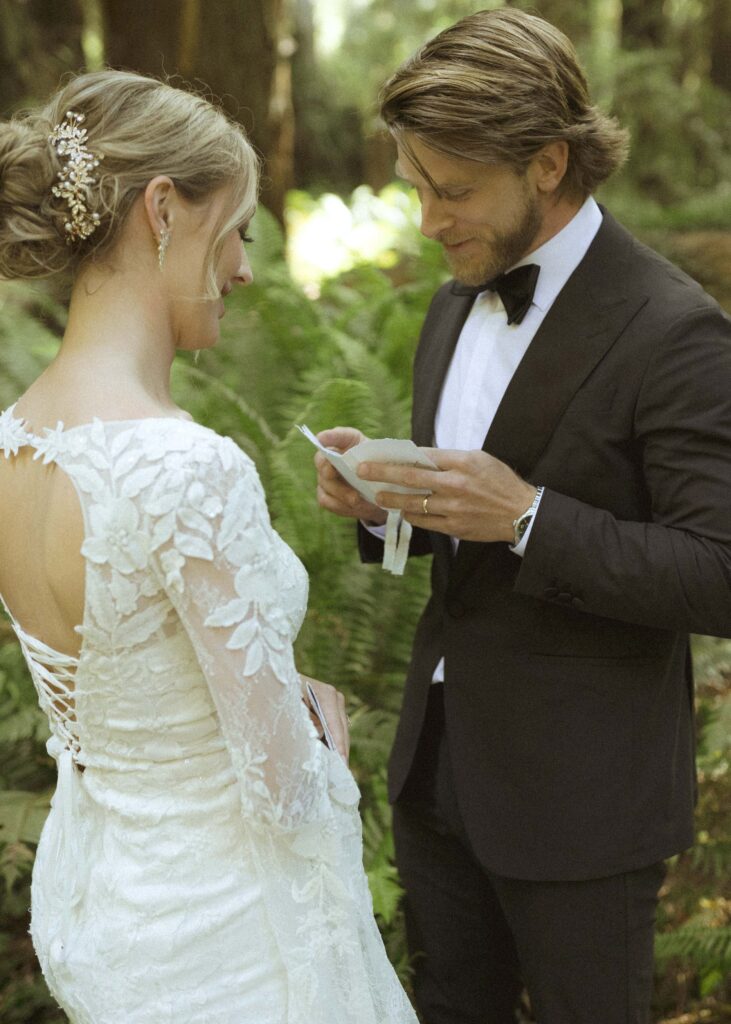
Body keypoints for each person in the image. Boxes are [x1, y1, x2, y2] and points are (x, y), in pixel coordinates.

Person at [314, 8, 731, 1024]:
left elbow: (715, 571)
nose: (426, 219)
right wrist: (383, 506)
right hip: (436, 773)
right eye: (417, 186)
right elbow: (457, 535)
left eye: (449, 191)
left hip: (583, 805)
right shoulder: (454, 298)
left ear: (547, 164)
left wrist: (532, 518)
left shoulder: (675, 331)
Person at [0, 70, 418, 1024]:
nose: (244, 272)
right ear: (162, 210)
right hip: (235, 950)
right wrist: (325, 722)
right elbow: (280, 788)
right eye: (238, 234)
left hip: (108, 918)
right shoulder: (185, 468)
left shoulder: (8, 439)